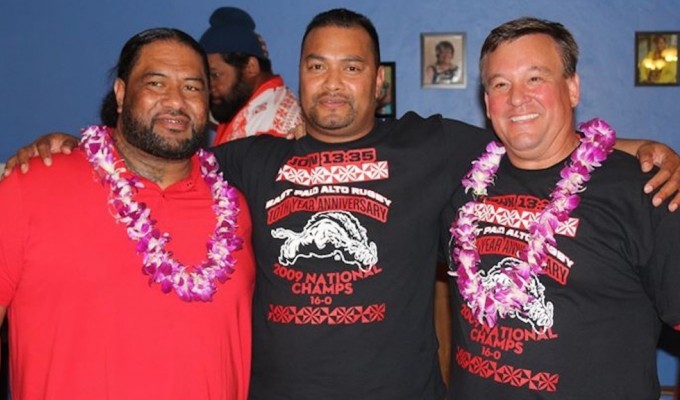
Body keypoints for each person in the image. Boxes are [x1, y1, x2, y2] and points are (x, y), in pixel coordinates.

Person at [5, 8, 680, 399]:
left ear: (375, 82)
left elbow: (531, 135)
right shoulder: (245, 160)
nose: (333, 84)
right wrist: (66, 144)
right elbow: (156, 151)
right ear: (297, 76)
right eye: (317, 66)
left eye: (351, 67)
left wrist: (631, 146)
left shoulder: (435, 146)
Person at [0, 28, 255, 399]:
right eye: (156, 83)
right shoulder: (31, 186)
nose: (175, 101)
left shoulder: (236, 211)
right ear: (121, 94)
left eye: (192, 87)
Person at [444, 17, 680, 399]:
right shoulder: (462, 184)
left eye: (535, 78)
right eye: (500, 84)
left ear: (572, 88)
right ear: (487, 103)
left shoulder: (646, 189)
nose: (517, 97)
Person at [199, 6, 302, 144]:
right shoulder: (241, 104)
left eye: (215, 75)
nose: (209, 86)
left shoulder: (268, 129)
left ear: (250, 67)